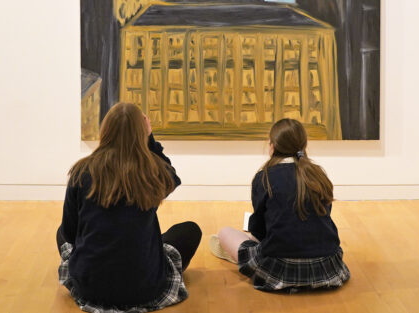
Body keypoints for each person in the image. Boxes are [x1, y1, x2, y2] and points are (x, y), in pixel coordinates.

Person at [57, 102, 201, 312]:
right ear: (141, 133)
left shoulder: (82, 171)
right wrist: (150, 139)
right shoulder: (153, 172)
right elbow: (173, 177)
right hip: (145, 289)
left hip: (90, 289)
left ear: (105, 130)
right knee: (190, 230)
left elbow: (70, 234)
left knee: (60, 233)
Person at [209, 117, 350, 293]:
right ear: (303, 145)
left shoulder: (265, 178)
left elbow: (259, 230)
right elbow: (323, 217)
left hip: (280, 268)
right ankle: (245, 254)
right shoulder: (318, 175)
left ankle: (243, 257)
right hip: (326, 266)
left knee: (225, 233)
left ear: (272, 146)